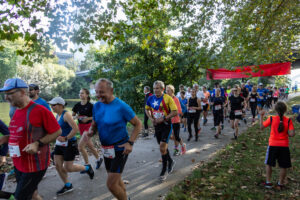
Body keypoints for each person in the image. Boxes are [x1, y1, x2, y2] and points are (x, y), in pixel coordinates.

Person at [0, 78, 62, 200]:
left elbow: (57, 131)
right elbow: (20, 132)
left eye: (9, 94)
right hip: (19, 163)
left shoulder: (39, 110)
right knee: (32, 195)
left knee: (20, 197)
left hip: (34, 165)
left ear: (23, 92)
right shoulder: (17, 110)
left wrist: (37, 143)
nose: (6, 98)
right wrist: (6, 139)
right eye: (4, 94)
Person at [88, 78, 142, 200]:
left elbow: (138, 124)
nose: (98, 95)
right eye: (96, 92)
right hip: (106, 149)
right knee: (116, 180)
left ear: (111, 90)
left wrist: (130, 143)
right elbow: (95, 123)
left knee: (111, 184)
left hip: (120, 148)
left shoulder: (121, 106)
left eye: (101, 92)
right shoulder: (96, 106)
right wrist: (91, 132)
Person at [50, 97, 94, 196]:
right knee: (57, 165)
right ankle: (68, 185)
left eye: (54, 105)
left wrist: (66, 138)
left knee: (68, 167)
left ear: (61, 105)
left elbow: (75, 129)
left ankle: (87, 168)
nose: (51, 107)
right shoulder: (58, 115)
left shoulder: (66, 115)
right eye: (51, 105)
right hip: (59, 144)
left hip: (69, 144)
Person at [145, 80, 177, 181]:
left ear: (162, 89)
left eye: (157, 88)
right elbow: (147, 109)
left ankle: (164, 170)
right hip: (157, 126)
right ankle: (171, 161)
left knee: (162, 147)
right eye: (154, 88)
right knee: (162, 148)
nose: (155, 90)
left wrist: (164, 118)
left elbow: (175, 112)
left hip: (166, 125)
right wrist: (151, 119)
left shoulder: (168, 98)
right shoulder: (150, 98)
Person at [260, 101, 295, 189]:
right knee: (283, 166)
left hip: (273, 145)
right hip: (284, 146)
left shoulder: (271, 119)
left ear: (275, 110)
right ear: (285, 110)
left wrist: (261, 117)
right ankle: (280, 184)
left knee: (269, 164)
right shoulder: (288, 121)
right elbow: (292, 134)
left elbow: (261, 127)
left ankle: (268, 182)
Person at [72, 89, 103, 169]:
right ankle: (99, 159)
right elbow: (73, 115)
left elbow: (96, 116)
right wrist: (76, 117)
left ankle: (87, 165)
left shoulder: (91, 106)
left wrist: (88, 119)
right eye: (80, 93)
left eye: (82, 93)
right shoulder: (77, 105)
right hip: (81, 127)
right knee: (90, 145)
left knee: (81, 146)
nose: (80, 94)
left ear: (87, 95)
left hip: (89, 127)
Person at [166, 85, 186, 156]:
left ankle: (178, 148)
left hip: (175, 120)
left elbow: (179, 110)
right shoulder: (165, 99)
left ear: (172, 91)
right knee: (170, 136)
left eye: (168, 90)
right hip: (168, 121)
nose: (166, 92)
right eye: (166, 90)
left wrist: (172, 113)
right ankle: (180, 146)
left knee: (176, 136)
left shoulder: (176, 99)